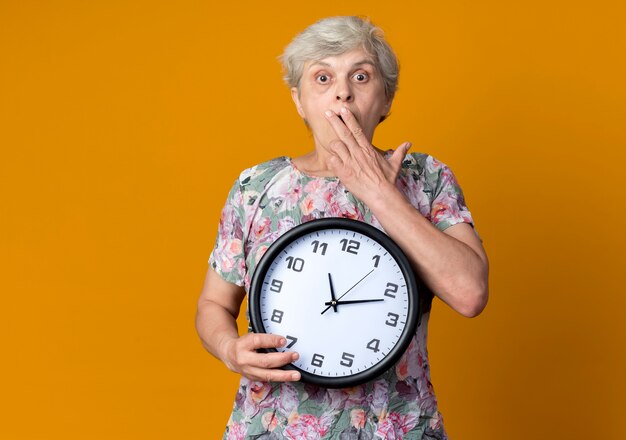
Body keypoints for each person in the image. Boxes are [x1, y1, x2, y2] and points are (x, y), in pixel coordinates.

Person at [196, 15, 488, 439]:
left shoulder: (425, 179)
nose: (342, 90)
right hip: (275, 426)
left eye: (361, 76)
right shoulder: (256, 188)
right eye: (322, 77)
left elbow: (469, 293)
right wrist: (229, 349)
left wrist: (381, 194)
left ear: (386, 99)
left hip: (395, 425)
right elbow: (213, 306)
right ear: (299, 101)